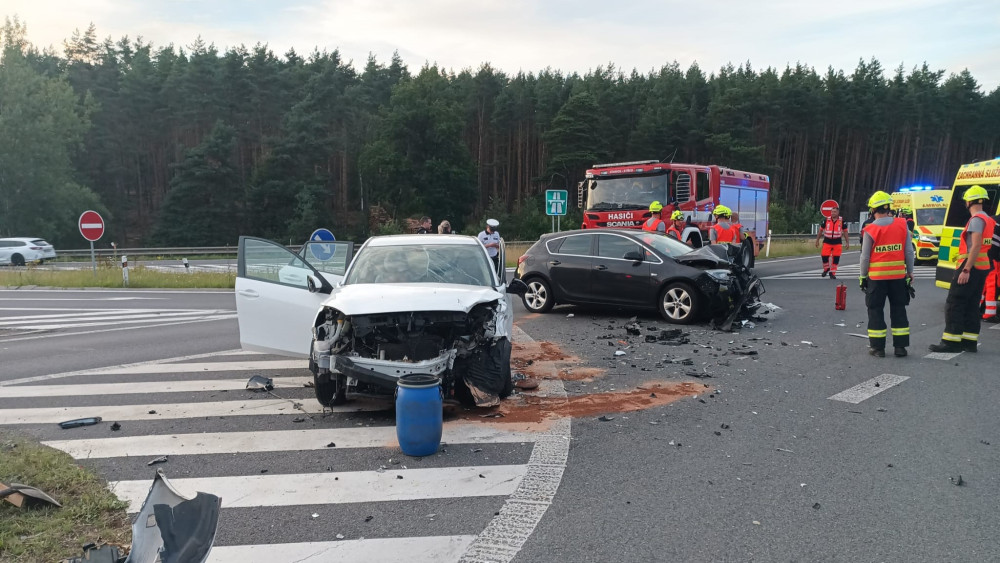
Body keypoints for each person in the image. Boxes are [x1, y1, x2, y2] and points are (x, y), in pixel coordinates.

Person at [929, 185, 995, 353]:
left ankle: (951, 341)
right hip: (982, 267)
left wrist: (966, 269)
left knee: (955, 303)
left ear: (968, 202)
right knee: (972, 304)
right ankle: (969, 341)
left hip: (971, 267)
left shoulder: (976, 220)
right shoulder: (989, 219)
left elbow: (976, 245)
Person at [859, 191, 914, 358]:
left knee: (875, 310)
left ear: (872, 210)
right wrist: (909, 272)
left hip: (877, 279)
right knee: (899, 310)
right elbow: (909, 251)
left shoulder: (871, 229)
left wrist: (863, 276)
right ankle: (900, 348)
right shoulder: (901, 224)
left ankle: (878, 348)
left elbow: (865, 256)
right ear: (888, 207)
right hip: (898, 277)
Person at [815, 205, 849, 279]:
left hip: (837, 241)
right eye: (832, 212)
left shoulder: (842, 221)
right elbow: (820, 230)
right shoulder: (826, 220)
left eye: (835, 212)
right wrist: (817, 240)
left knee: (836, 258)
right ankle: (826, 268)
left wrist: (847, 242)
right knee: (824, 255)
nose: (833, 213)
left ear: (838, 212)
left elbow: (845, 232)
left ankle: (832, 273)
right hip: (827, 240)